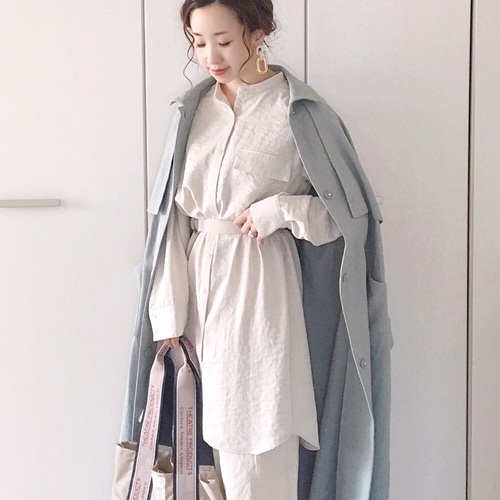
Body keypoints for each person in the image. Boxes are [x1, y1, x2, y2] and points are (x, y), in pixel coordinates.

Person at [120, 1, 393, 499]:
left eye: (223, 41)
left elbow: (347, 220)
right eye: (199, 43)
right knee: (190, 455)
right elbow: (171, 223)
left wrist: (283, 210)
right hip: (194, 292)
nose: (211, 56)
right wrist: (168, 318)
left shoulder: (299, 113)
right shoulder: (191, 111)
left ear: (258, 32)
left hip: (259, 290)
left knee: (255, 442)